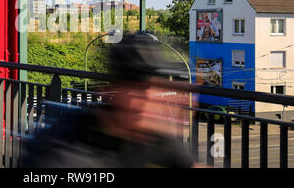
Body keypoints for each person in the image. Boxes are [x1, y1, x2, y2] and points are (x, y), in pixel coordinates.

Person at [21, 32, 198, 168]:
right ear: (112, 92)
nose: (156, 99)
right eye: (144, 89)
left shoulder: (156, 138)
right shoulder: (61, 152)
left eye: (162, 88)